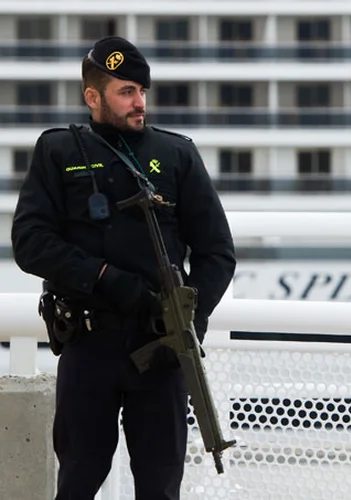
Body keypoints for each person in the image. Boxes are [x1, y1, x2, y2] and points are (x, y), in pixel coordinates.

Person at [11, 36, 236, 499]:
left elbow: (216, 252)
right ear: (92, 97)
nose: (139, 103)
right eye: (126, 92)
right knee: (78, 477)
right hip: (89, 344)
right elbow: (30, 243)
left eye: (142, 92)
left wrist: (188, 319)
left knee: (159, 484)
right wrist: (103, 278)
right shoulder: (58, 152)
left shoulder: (176, 155)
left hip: (161, 346)